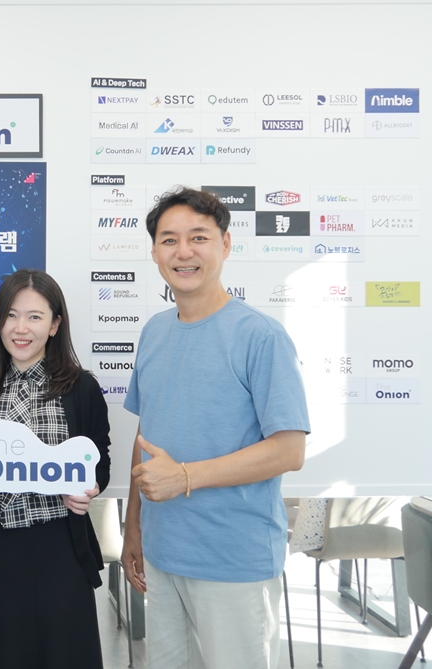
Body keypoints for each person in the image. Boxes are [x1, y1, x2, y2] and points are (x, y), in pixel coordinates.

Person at [120, 187, 310, 669]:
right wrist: (133, 527)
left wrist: (185, 476)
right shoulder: (154, 331)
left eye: (198, 238)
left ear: (225, 244)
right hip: (162, 554)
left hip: (233, 561)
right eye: (169, 240)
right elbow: (146, 438)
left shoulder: (260, 336)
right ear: (155, 252)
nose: (183, 252)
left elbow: (288, 451)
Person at [0, 269, 110, 669]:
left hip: (60, 549)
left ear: (54, 325)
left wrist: (89, 489)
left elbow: (99, 462)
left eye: (35, 317)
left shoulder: (82, 389)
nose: (21, 328)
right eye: (11, 315)